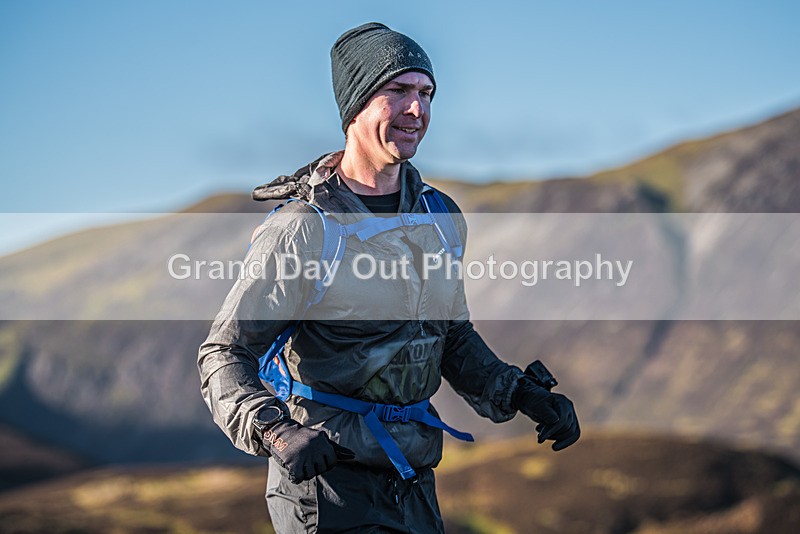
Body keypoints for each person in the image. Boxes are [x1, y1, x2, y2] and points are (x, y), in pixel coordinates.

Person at [198, 22, 580, 533]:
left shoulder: (440, 218)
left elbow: (449, 338)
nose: (417, 110)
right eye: (397, 91)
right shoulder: (306, 229)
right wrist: (277, 431)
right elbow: (224, 353)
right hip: (327, 486)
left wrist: (521, 394)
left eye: (426, 93)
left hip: (414, 480)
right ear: (355, 105)